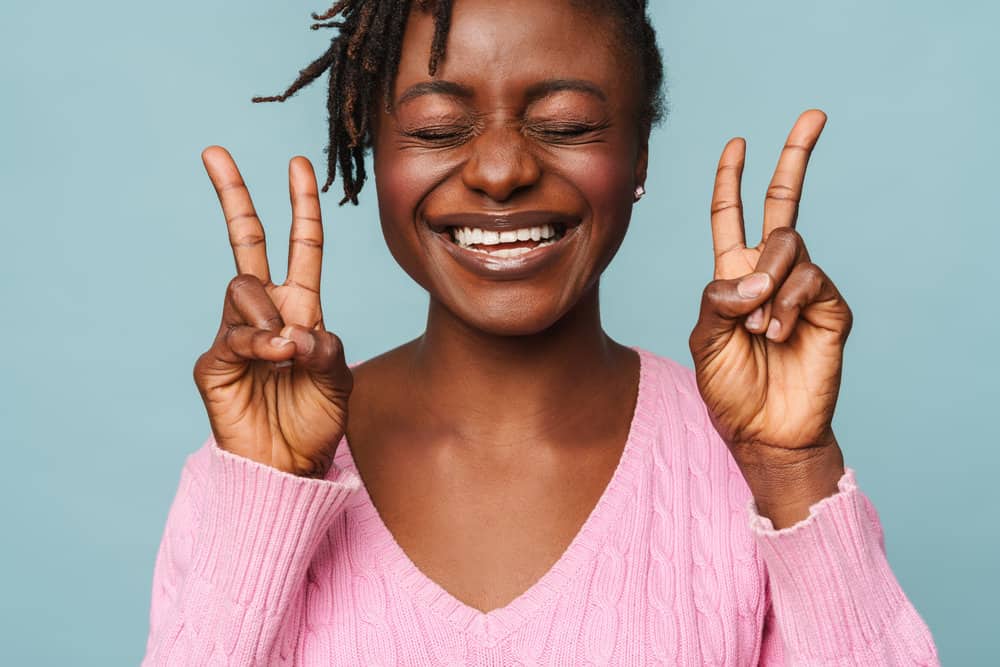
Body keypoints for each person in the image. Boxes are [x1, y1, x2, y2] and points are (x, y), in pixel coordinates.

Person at [143, 0, 940, 664]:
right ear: (372, 152)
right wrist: (261, 500)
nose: (499, 171)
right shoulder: (243, 476)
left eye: (563, 124)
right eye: (436, 127)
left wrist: (792, 469)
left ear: (638, 156)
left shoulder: (746, 472)